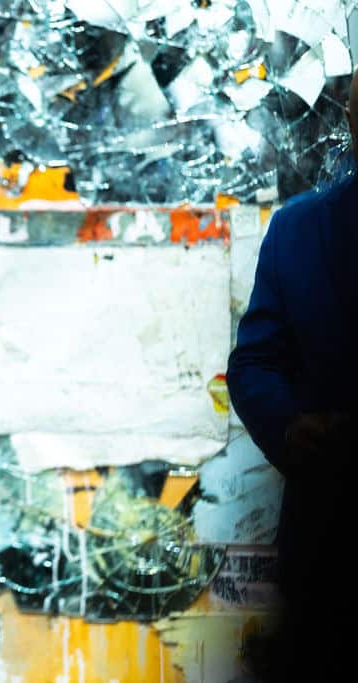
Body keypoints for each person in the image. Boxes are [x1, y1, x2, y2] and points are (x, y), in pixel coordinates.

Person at [226, 69, 358, 682]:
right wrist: (287, 426)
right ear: (350, 120)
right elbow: (254, 363)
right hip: (329, 549)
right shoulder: (298, 229)